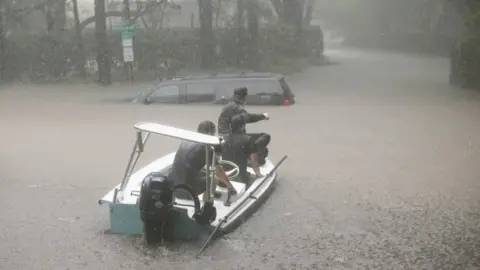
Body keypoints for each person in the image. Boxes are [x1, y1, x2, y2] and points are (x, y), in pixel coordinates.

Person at [168, 121, 237, 201]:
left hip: (173, 185)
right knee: (214, 179)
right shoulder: (206, 148)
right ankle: (206, 205)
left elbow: (192, 163)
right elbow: (219, 172)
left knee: (203, 172)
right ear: (209, 133)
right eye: (213, 134)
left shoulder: (186, 141)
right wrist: (230, 186)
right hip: (186, 191)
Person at [218, 87, 271, 183]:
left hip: (225, 137)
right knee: (265, 137)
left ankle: (248, 156)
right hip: (233, 138)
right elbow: (247, 118)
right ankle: (250, 157)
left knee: (256, 145)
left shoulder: (229, 105)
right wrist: (263, 116)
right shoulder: (236, 107)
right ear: (243, 97)